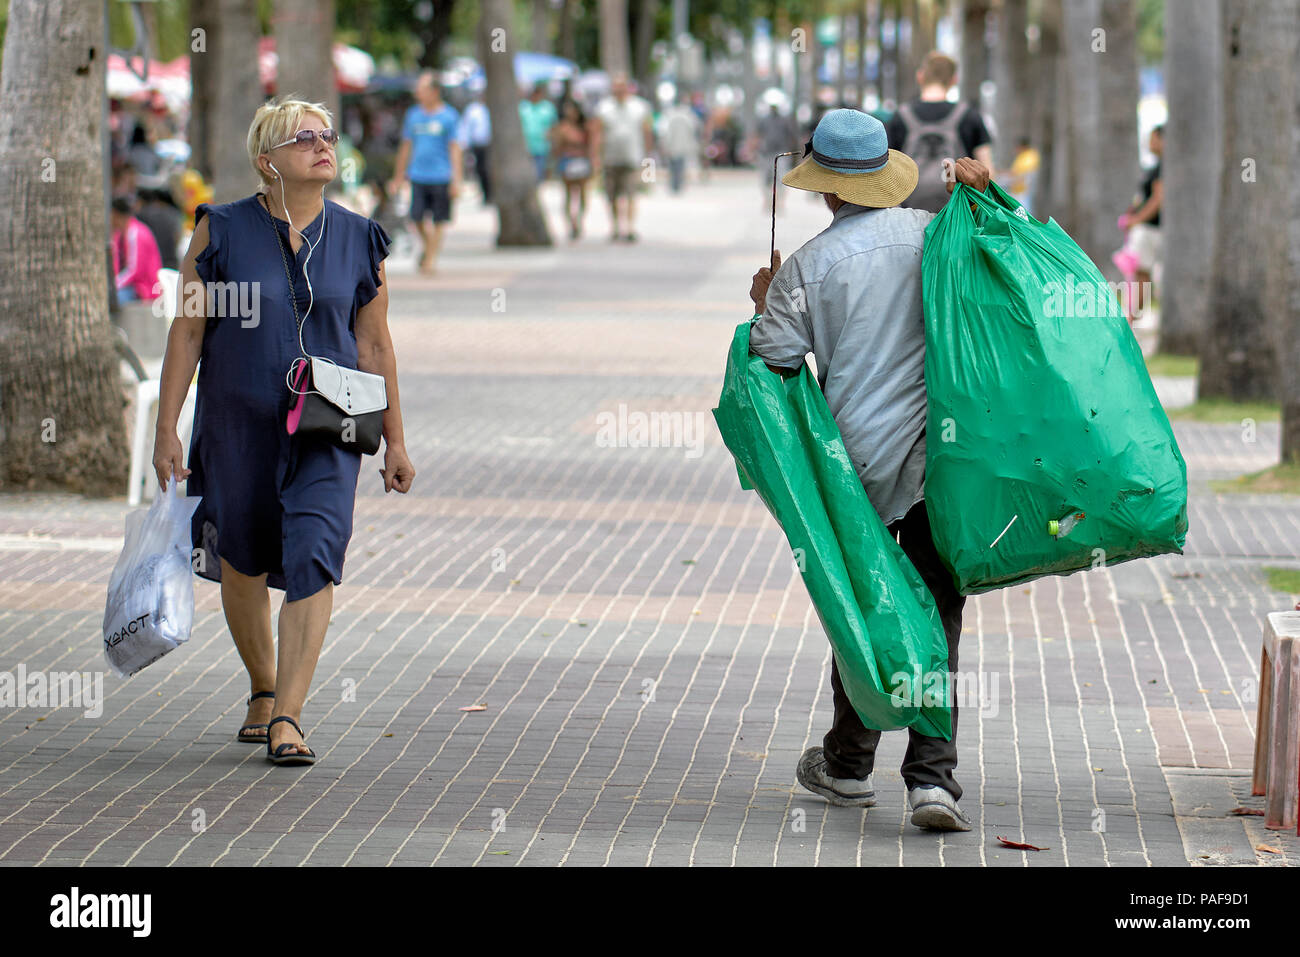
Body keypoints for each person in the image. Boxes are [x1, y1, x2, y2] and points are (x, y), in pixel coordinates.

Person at [151, 95, 416, 765]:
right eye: (304, 139)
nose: (322, 146)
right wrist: (166, 428)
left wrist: (396, 439)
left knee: (315, 552)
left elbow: (375, 345)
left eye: (327, 136)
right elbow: (188, 330)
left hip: (331, 425)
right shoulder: (219, 231)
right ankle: (262, 687)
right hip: (237, 423)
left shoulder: (360, 238)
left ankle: (289, 715)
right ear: (266, 161)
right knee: (241, 552)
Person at [746, 108, 990, 831]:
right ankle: (929, 780)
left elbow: (775, 358)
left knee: (866, 612)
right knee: (937, 610)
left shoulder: (807, 268)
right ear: (886, 176)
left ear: (826, 191)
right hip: (940, 465)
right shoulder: (931, 237)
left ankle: (851, 764)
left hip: (857, 475)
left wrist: (765, 301)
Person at [885, 51, 993, 213]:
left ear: (920, 76)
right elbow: (987, 172)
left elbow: (888, 172)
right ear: (954, 80)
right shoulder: (970, 116)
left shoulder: (900, 117)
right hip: (957, 216)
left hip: (909, 213)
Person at [389, 71, 463, 275]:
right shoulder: (413, 115)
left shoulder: (449, 116)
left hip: (441, 174)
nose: (418, 93)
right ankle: (430, 247)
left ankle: (430, 258)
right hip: (418, 174)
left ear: (435, 91)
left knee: (439, 218)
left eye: (422, 89)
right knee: (416, 217)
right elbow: (406, 146)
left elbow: (455, 148)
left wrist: (457, 179)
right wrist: (399, 175)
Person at [591, 73, 653, 242]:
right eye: (615, 87)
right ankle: (615, 227)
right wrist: (596, 157)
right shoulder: (603, 107)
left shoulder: (640, 107)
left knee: (632, 194)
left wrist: (648, 162)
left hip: (633, 158)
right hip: (610, 159)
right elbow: (597, 133)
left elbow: (647, 133)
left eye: (621, 86)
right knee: (611, 195)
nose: (618, 90)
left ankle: (630, 227)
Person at [1115, 125, 1163, 325]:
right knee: (1138, 274)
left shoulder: (1163, 169)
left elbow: (1158, 199)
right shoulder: (1152, 168)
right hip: (1144, 229)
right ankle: (1133, 316)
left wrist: (1137, 219)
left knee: (1143, 275)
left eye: (1153, 139)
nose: (1150, 143)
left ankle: (1131, 319)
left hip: (1152, 229)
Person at [550, 97, 595, 240]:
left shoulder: (585, 127)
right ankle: (571, 223)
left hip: (581, 161)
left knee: (582, 195)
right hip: (567, 161)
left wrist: (593, 162)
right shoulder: (562, 127)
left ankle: (579, 220)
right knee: (568, 195)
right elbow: (556, 147)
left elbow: (591, 145)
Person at [110, 196, 163, 303]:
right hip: (133, 286)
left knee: (115, 298)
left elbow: (134, 270)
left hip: (145, 289)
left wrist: (114, 285)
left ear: (117, 215)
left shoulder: (136, 233)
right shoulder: (119, 234)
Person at [753, 102, 801, 212]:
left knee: (781, 178)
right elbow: (757, 135)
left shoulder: (785, 120)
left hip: (781, 152)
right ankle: (768, 201)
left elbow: (793, 136)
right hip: (766, 153)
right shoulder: (764, 120)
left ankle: (779, 203)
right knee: (765, 179)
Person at [656, 94, 700, 194]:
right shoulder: (687, 114)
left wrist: (663, 143)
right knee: (678, 165)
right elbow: (694, 128)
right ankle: (677, 184)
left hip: (674, 145)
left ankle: (675, 184)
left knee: (674, 165)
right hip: (679, 145)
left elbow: (662, 130)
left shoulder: (669, 114)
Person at [135, 188, 182, 271]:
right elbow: (177, 237)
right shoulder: (174, 214)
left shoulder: (142, 216)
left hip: (153, 264)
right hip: (171, 261)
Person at [519, 81, 557, 183]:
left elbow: (554, 126)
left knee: (539, 173)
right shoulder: (523, 107)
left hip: (543, 146)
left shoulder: (548, 108)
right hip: (526, 146)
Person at [459, 90, 492, 204]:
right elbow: (466, 127)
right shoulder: (473, 110)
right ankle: (486, 194)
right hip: (478, 146)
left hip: (491, 146)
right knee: (481, 170)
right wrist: (464, 144)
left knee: (491, 170)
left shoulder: (493, 108)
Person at [1005, 137, 1040, 218]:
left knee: (1024, 217)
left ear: (1022, 147)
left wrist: (1008, 179)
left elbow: (1021, 175)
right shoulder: (1022, 156)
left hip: (1023, 193)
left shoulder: (1029, 157)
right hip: (1018, 192)